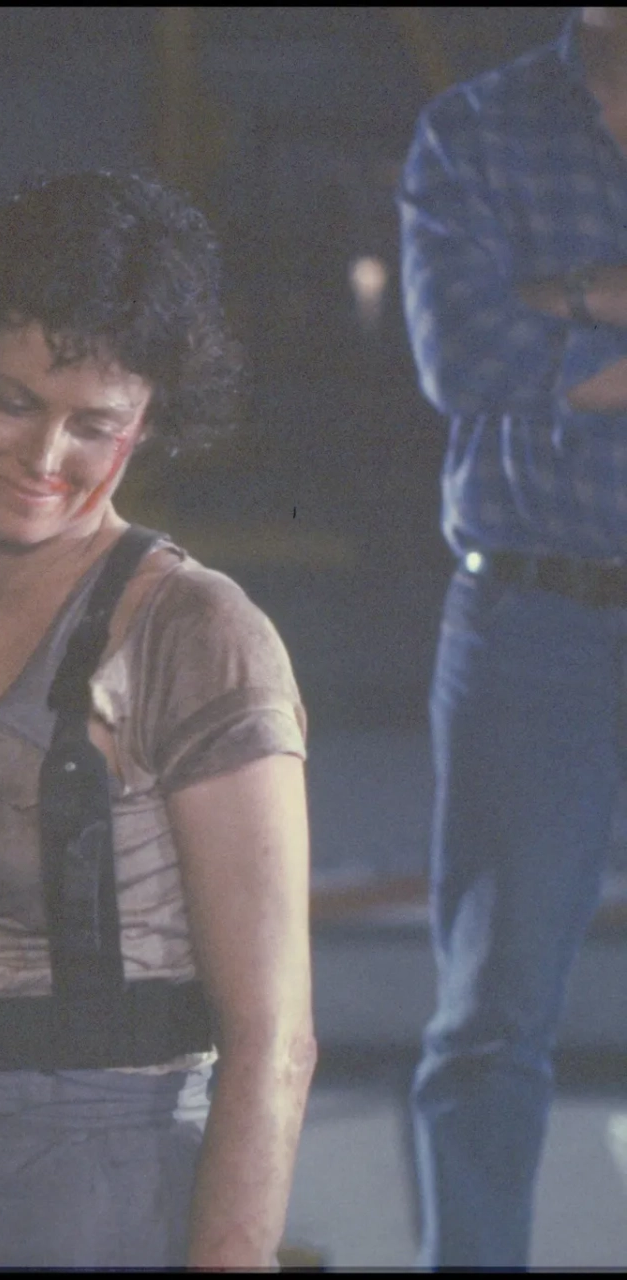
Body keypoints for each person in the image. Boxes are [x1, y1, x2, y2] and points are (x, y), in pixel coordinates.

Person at [0, 172, 316, 1269]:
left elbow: (274, 1037)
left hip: (113, 1184)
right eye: (14, 400)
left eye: (96, 425)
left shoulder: (197, 634)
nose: (44, 459)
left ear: (148, 425)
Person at [398, 7, 627, 1268]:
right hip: (528, 619)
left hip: (529, 612)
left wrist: (568, 296)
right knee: (490, 1019)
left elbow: (515, 341)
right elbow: (463, 352)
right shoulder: (473, 133)